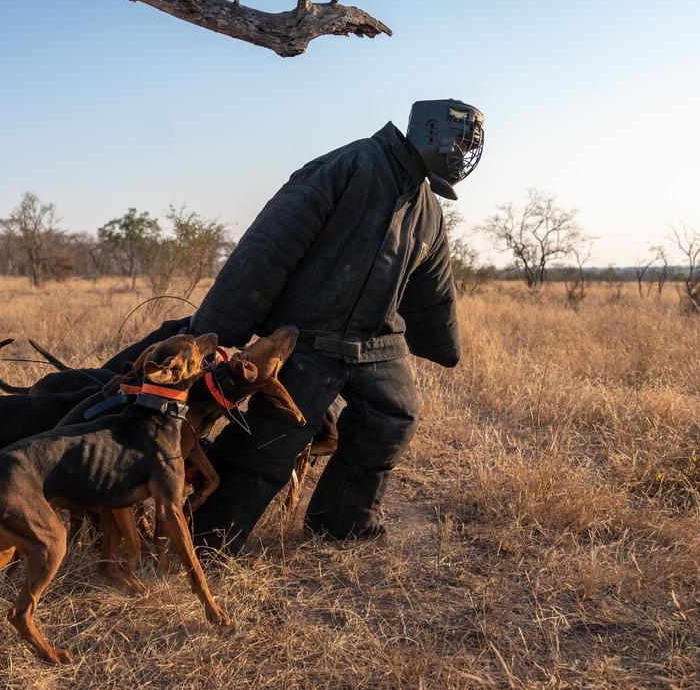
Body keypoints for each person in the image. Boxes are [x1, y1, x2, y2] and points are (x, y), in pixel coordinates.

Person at [187, 99, 486, 554]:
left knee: (394, 416)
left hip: (376, 341)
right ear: (430, 130)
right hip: (306, 338)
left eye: (471, 144)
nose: (465, 153)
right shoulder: (350, 165)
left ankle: (343, 524)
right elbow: (271, 243)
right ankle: (208, 537)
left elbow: (432, 287)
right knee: (279, 436)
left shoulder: (427, 206)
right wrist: (217, 327)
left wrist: (443, 345)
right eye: (462, 140)